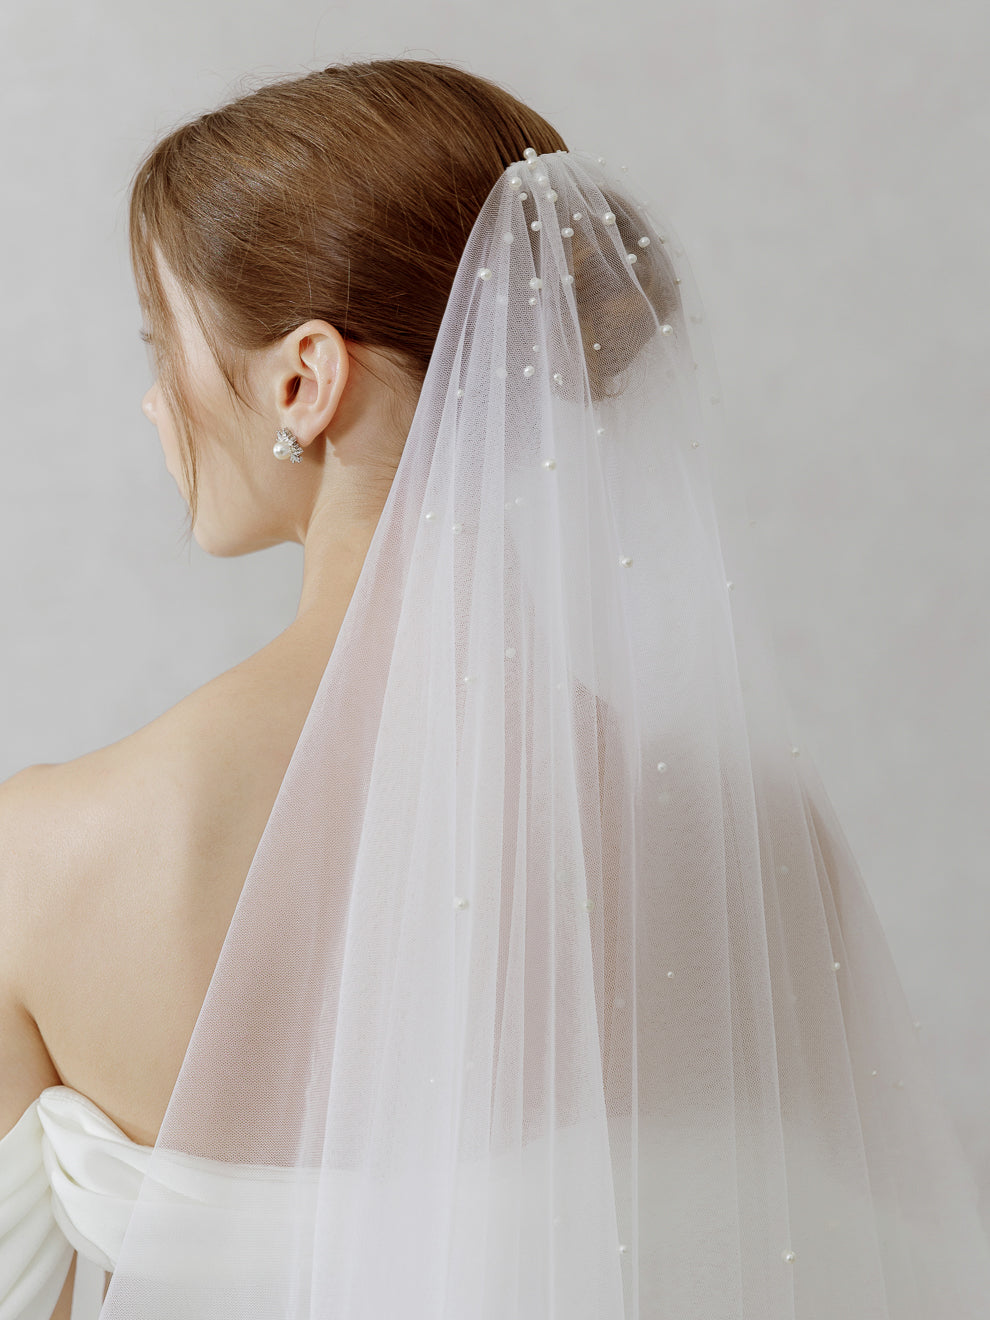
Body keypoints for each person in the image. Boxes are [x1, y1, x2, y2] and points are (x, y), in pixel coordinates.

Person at [2, 57, 989, 1320]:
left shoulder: (46, 857)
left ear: (303, 378)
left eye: (163, 344)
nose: (152, 402)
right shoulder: (753, 842)